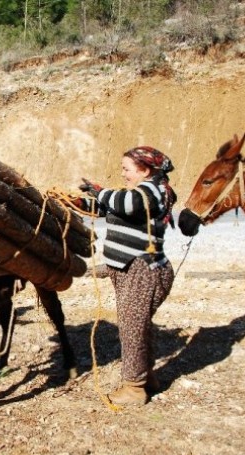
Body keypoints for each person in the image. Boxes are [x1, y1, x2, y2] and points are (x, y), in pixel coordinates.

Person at [75, 146, 177, 405]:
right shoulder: (136, 192)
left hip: (143, 272)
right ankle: (147, 376)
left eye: (127, 169)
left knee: (131, 329)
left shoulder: (152, 191)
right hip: (130, 271)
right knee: (139, 326)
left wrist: (100, 191)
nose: (123, 174)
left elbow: (126, 203)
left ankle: (134, 388)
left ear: (144, 170)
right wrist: (79, 202)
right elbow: (108, 208)